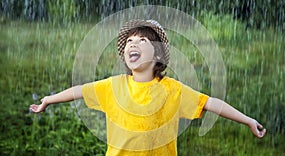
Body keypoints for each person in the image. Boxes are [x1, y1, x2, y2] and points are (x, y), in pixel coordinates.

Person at [30, 19, 266, 155]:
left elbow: (212, 103)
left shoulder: (173, 90)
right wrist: (48, 100)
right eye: (130, 41)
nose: (134, 44)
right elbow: (78, 90)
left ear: (158, 55)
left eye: (143, 41)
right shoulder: (112, 86)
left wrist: (247, 120)